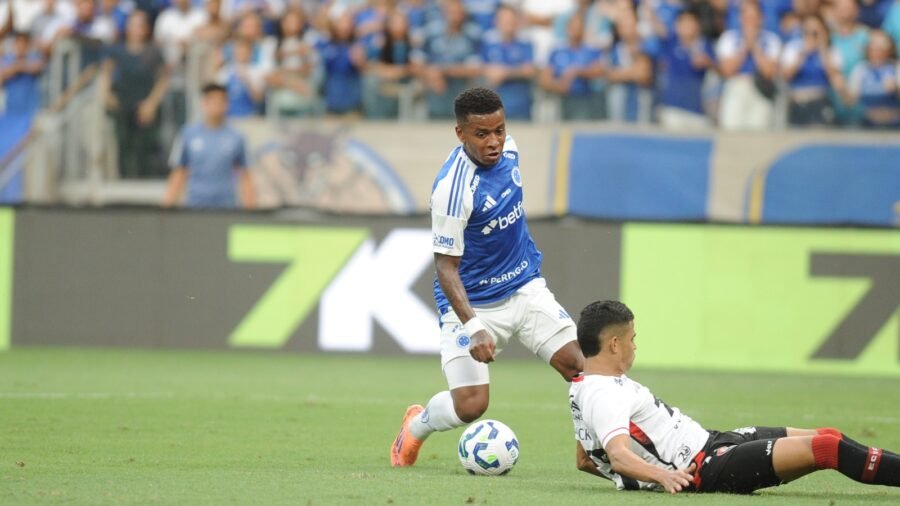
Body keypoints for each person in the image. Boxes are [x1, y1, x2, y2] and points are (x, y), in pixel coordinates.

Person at [390, 87, 583, 467]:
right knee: (471, 406)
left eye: (499, 130)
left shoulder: (510, 149)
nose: (494, 141)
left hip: (525, 288)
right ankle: (415, 427)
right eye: (482, 134)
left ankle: (597, 453)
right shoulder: (452, 191)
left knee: (581, 368)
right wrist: (475, 326)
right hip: (473, 303)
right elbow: (445, 267)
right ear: (460, 133)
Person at [570, 300, 900, 494]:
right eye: (632, 338)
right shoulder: (605, 394)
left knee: (828, 434)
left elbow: (585, 460)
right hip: (705, 467)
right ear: (614, 344)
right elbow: (617, 456)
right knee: (826, 448)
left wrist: (633, 480)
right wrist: (663, 477)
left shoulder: (585, 384)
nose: (635, 345)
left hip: (714, 442)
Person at [99, 9, 170, 178]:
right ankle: (123, 179)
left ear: (146, 29)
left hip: (145, 104)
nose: (136, 29)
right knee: (123, 143)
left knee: (144, 146)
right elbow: (106, 73)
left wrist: (152, 103)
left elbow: (163, 79)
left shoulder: (153, 51)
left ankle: (143, 179)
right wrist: (107, 95)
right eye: (133, 25)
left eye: (140, 26)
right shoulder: (118, 50)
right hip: (123, 104)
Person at [162, 83, 255, 209]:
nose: (217, 105)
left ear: (227, 104)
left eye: (221, 101)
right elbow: (179, 172)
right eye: (213, 101)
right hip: (195, 206)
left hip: (227, 207)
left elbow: (245, 176)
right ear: (204, 103)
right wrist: (166, 207)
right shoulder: (188, 134)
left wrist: (250, 210)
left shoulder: (237, 137)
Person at [716, 0, 782, 130]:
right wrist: (745, 47)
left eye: (753, 17)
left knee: (759, 131)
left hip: (760, 88)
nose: (750, 21)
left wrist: (755, 47)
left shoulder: (772, 40)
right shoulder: (729, 38)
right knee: (731, 130)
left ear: (761, 18)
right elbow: (727, 71)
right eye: (746, 17)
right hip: (737, 86)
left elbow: (768, 72)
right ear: (741, 18)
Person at [656, 9, 715, 130]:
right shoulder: (671, 43)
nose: (687, 27)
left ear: (698, 25)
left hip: (697, 111)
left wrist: (708, 62)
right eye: (683, 23)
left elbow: (719, 71)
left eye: (691, 22)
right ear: (677, 26)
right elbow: (658, 27)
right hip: (672, 109)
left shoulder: (705, 46)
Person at [540, 13, 605, 120]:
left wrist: (577, 72)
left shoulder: (591, 50)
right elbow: (545, 79)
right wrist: (559, 85)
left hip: (586, 100)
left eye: (578, 26)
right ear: (566, 28)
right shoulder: (556, 51)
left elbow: (599, 70)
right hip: (561, 100)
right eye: (572, 26)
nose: (575, 29)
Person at [780, 14, 842, 126]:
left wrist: (822, 51)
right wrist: (803, 53)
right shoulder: (794, 47)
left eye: (815, 33)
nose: (811, 36)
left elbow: (835, 77)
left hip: (819, 101)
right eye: (807, 32)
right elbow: (786, 76)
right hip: (797, 101)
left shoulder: (830, 50)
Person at [480, 4, 536, 121]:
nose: (508, 23)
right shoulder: (488, 43)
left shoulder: (525, 43)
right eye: (504, 19)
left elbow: (529, 70)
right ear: (496, 22)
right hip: (493, 108)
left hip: (520, 106)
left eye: (511, 19)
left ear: (517, 22)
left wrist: (505, 72)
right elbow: (479, 69)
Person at [836, 29, 900, 128]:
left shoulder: (895, 68)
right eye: (874, 47)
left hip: (893, 121)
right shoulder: (860, 69)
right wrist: (842, 89)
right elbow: (850, 101)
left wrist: (896, 88)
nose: (877, 51)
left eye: (881, 47)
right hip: (866, 122)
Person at [0, 31, 44, 118]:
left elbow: (37, 68)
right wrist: (21, 67)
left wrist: (16, 67)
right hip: (11, 105)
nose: (21, 47)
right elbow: (2, 73)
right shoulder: (7, 59)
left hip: (31, 105)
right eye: (19, 43)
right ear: (15, 44)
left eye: (24, 44)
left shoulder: (33, 57)